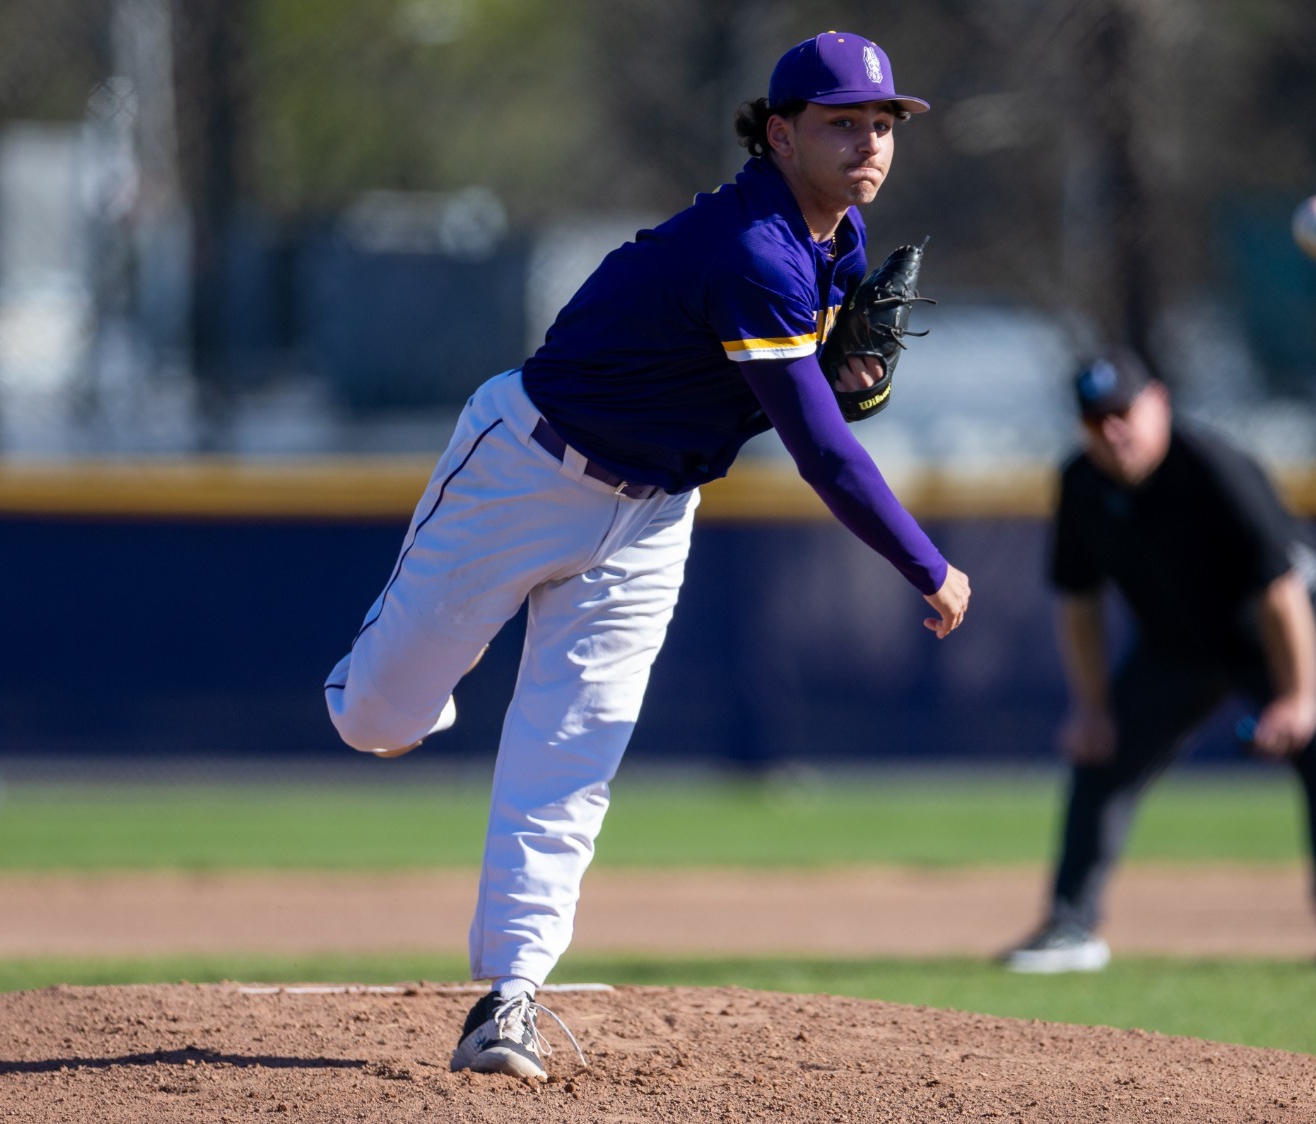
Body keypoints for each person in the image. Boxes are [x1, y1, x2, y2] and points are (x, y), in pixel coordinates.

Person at [324, 31, 971, 1078]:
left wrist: (851, 374)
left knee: (572, 752)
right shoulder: (754, 249)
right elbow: (819, 449)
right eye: (841, 121)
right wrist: (927, 567)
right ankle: (390, 677)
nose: (868, 141)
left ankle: (508, 997)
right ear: (779, 132)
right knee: (375, 720)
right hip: (522, 471)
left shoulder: (837, 235)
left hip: (653, 510)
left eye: (883, 121)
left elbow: (830, 390)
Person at [1003, 349, 1316, 978]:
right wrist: (1092, 706)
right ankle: (1071, 925)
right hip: (1181, 644)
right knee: (1102, 752)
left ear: (1157, 401)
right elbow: (1080, 604)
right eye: (1096, 420)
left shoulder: (1213, 467)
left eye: (1123, 412)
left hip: (1297, 620)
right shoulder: (1081, 484)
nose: (1113, 431)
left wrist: (1297, 698)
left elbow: (1282, 590)